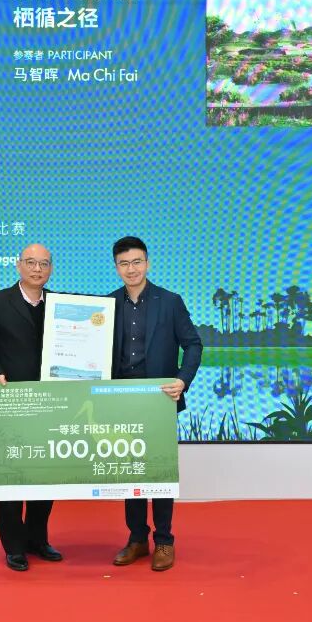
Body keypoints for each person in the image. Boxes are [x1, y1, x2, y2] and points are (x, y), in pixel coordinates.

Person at [107, 236, 202, 572]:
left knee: (159, 471)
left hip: (160, 399)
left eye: (137, 262)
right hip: (120, 400)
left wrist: (182, 379)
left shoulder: (170, 301)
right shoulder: (107, 305)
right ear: (116, 267)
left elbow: (193, 345)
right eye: (124, 263)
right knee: (130, 470)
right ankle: (137, 538)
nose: (131, 269)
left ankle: (164, 540)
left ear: (147, 263)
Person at [0, 243, 63, 572]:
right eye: (31, 263)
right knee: (11, 476)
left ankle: (38, 539)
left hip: (52, 403)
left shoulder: (60, 305)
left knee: (44, 475)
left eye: (44, 264)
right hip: (12, 403)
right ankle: (14, 546)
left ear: (51, 269)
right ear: (18, 265)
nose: (37, 269)